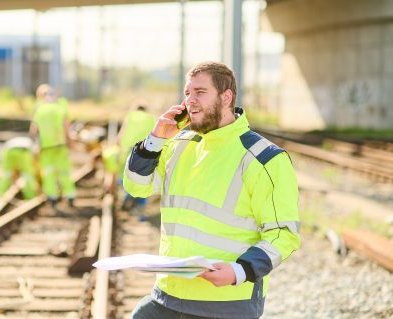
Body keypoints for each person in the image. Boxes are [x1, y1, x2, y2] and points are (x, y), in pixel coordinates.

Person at [123, 61, 300, 319]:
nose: (189, 101)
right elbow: (136, 187)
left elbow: (283, 234)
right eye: (187, 93)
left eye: (200, 92)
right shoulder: (179, 143)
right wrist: (154, 141)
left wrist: (240, 271)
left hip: (225, 304)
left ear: (226, 97)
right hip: (168, 295)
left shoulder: (263, 158)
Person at [29, 83, 76, 208]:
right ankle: (70, 195)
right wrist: (70, 143)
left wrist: (35, 145)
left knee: (48, 172)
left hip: (46, 147)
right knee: (64, 171)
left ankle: (52, 197)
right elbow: (67, 128)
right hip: (60, 145)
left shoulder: (40, 110)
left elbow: (33, 130)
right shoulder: (60, 108)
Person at [117, 105, 155, 220]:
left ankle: (128, 194)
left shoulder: (130, 116)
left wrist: (118, 146)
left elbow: (121, 134)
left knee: (125, 176)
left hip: (128, 149)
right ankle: (140, 212)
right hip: (144, 151)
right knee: (144, 180)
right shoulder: (151, 118)